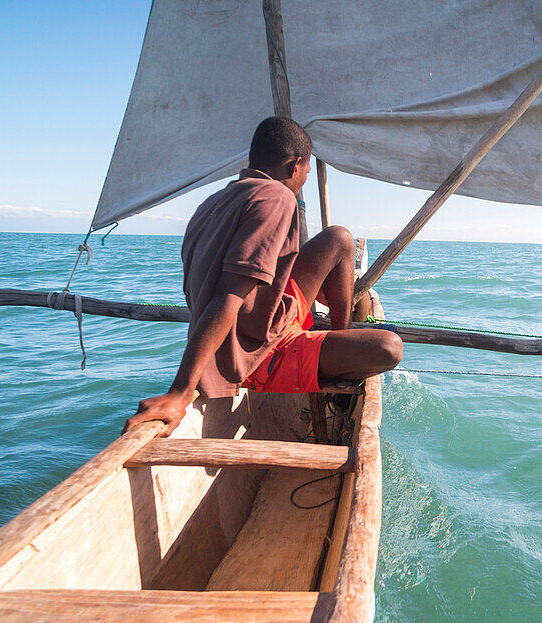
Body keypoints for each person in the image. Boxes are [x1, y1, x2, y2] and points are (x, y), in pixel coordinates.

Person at [124, 116, 402, 436]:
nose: (303, 181)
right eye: (306, 173)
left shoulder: (214, 201)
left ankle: (340, 338)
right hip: (257, 353)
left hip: (267, 315)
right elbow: (229, 294)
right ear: (295, 165)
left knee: (339, 238)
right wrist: (181, 391)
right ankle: (339, 354)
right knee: (388, 347)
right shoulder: (278, 197)